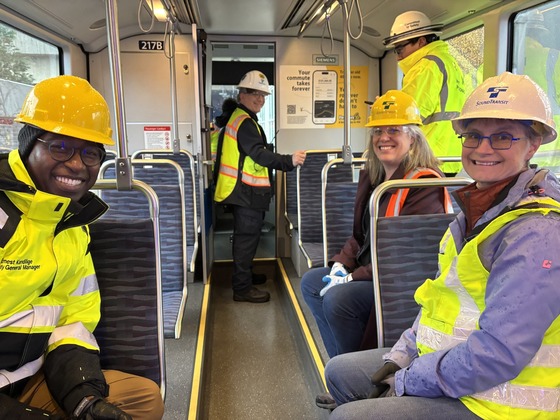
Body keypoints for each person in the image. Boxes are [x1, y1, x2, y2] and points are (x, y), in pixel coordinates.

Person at [322, 72, 560, 419]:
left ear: (534, 143)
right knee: (340, 372)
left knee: (347, 415)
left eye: (503, 137)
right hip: (453, 362)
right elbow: (437, 300)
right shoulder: (474, 213)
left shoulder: (536, 233)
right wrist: (399, 357)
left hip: (500, 402)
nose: (482, 148)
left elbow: (498, 353)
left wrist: (408, 379)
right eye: (474, 135)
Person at [0, 75, 164, 419]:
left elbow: (73, 322)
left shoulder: (73, 227)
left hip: (30, 375)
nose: (77, 165)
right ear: (30, 144)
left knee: (144, 398)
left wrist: (84, 400)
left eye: (91, 153)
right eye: (60, 147)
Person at [301, 90, 451, 361]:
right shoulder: (374, 175)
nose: (383, 137)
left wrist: (351, 278)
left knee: (339, 300)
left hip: (399, 279)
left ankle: (356, 375)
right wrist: (341, 264)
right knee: (311, 282)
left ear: (413, 138)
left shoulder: (423, 185)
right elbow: (361, 235)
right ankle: (340, 365)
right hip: (374, 271)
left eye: (394, 130)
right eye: (377, 131)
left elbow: (405, 255)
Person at [214, 70, 306, 303]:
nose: (260, 100)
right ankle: (242, 289)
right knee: (246, 239)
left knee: (248, 238)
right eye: (254, 94)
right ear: (241, 94)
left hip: (244, 191)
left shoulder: (241, 118)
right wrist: (288, 161)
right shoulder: (244, 122)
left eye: (263, 95)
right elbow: (258, 154)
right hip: (245, 191)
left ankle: (244, 277)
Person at [383, 10, 467, 175]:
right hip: (449, 153)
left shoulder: (425, 66)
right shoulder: (449, 63)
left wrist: (385, 109)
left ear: (421, 41)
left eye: (399, 49)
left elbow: (410, 114)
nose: (397, 57)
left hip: (427, 154)